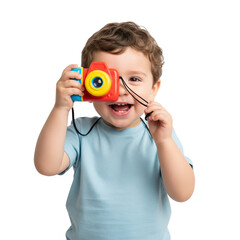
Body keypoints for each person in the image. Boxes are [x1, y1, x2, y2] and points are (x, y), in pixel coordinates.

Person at [34, 22, 195, 240]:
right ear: (86, 85)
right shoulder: (82, 131)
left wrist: (165, 142)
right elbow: (46, 166)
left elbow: (182, 193)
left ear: (154, 89)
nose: (120, 91)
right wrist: (61, 108)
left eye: (134, 79)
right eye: (106, 80)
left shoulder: (159, 134)